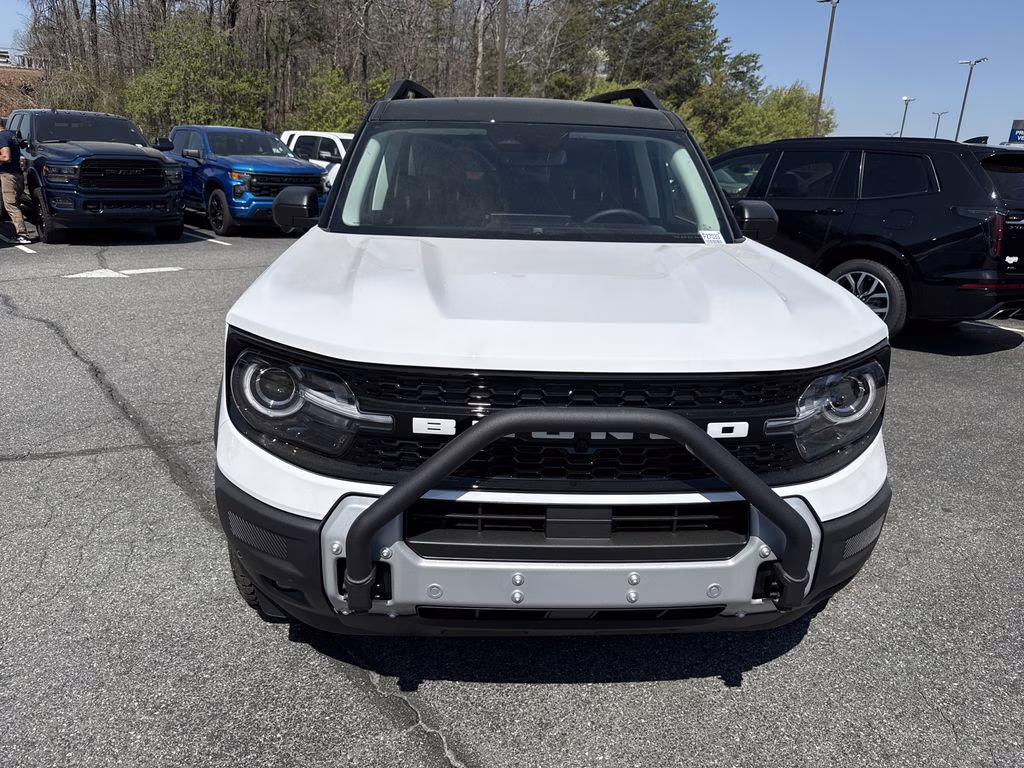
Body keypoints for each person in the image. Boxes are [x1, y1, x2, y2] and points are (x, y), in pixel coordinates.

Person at [0, 120, 33, 244]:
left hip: (8, 175)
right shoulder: (10, 135)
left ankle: (23, 235)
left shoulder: (1, 137)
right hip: (18, 174)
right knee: (15, 204)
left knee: (11, 206)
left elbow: (6, 157)